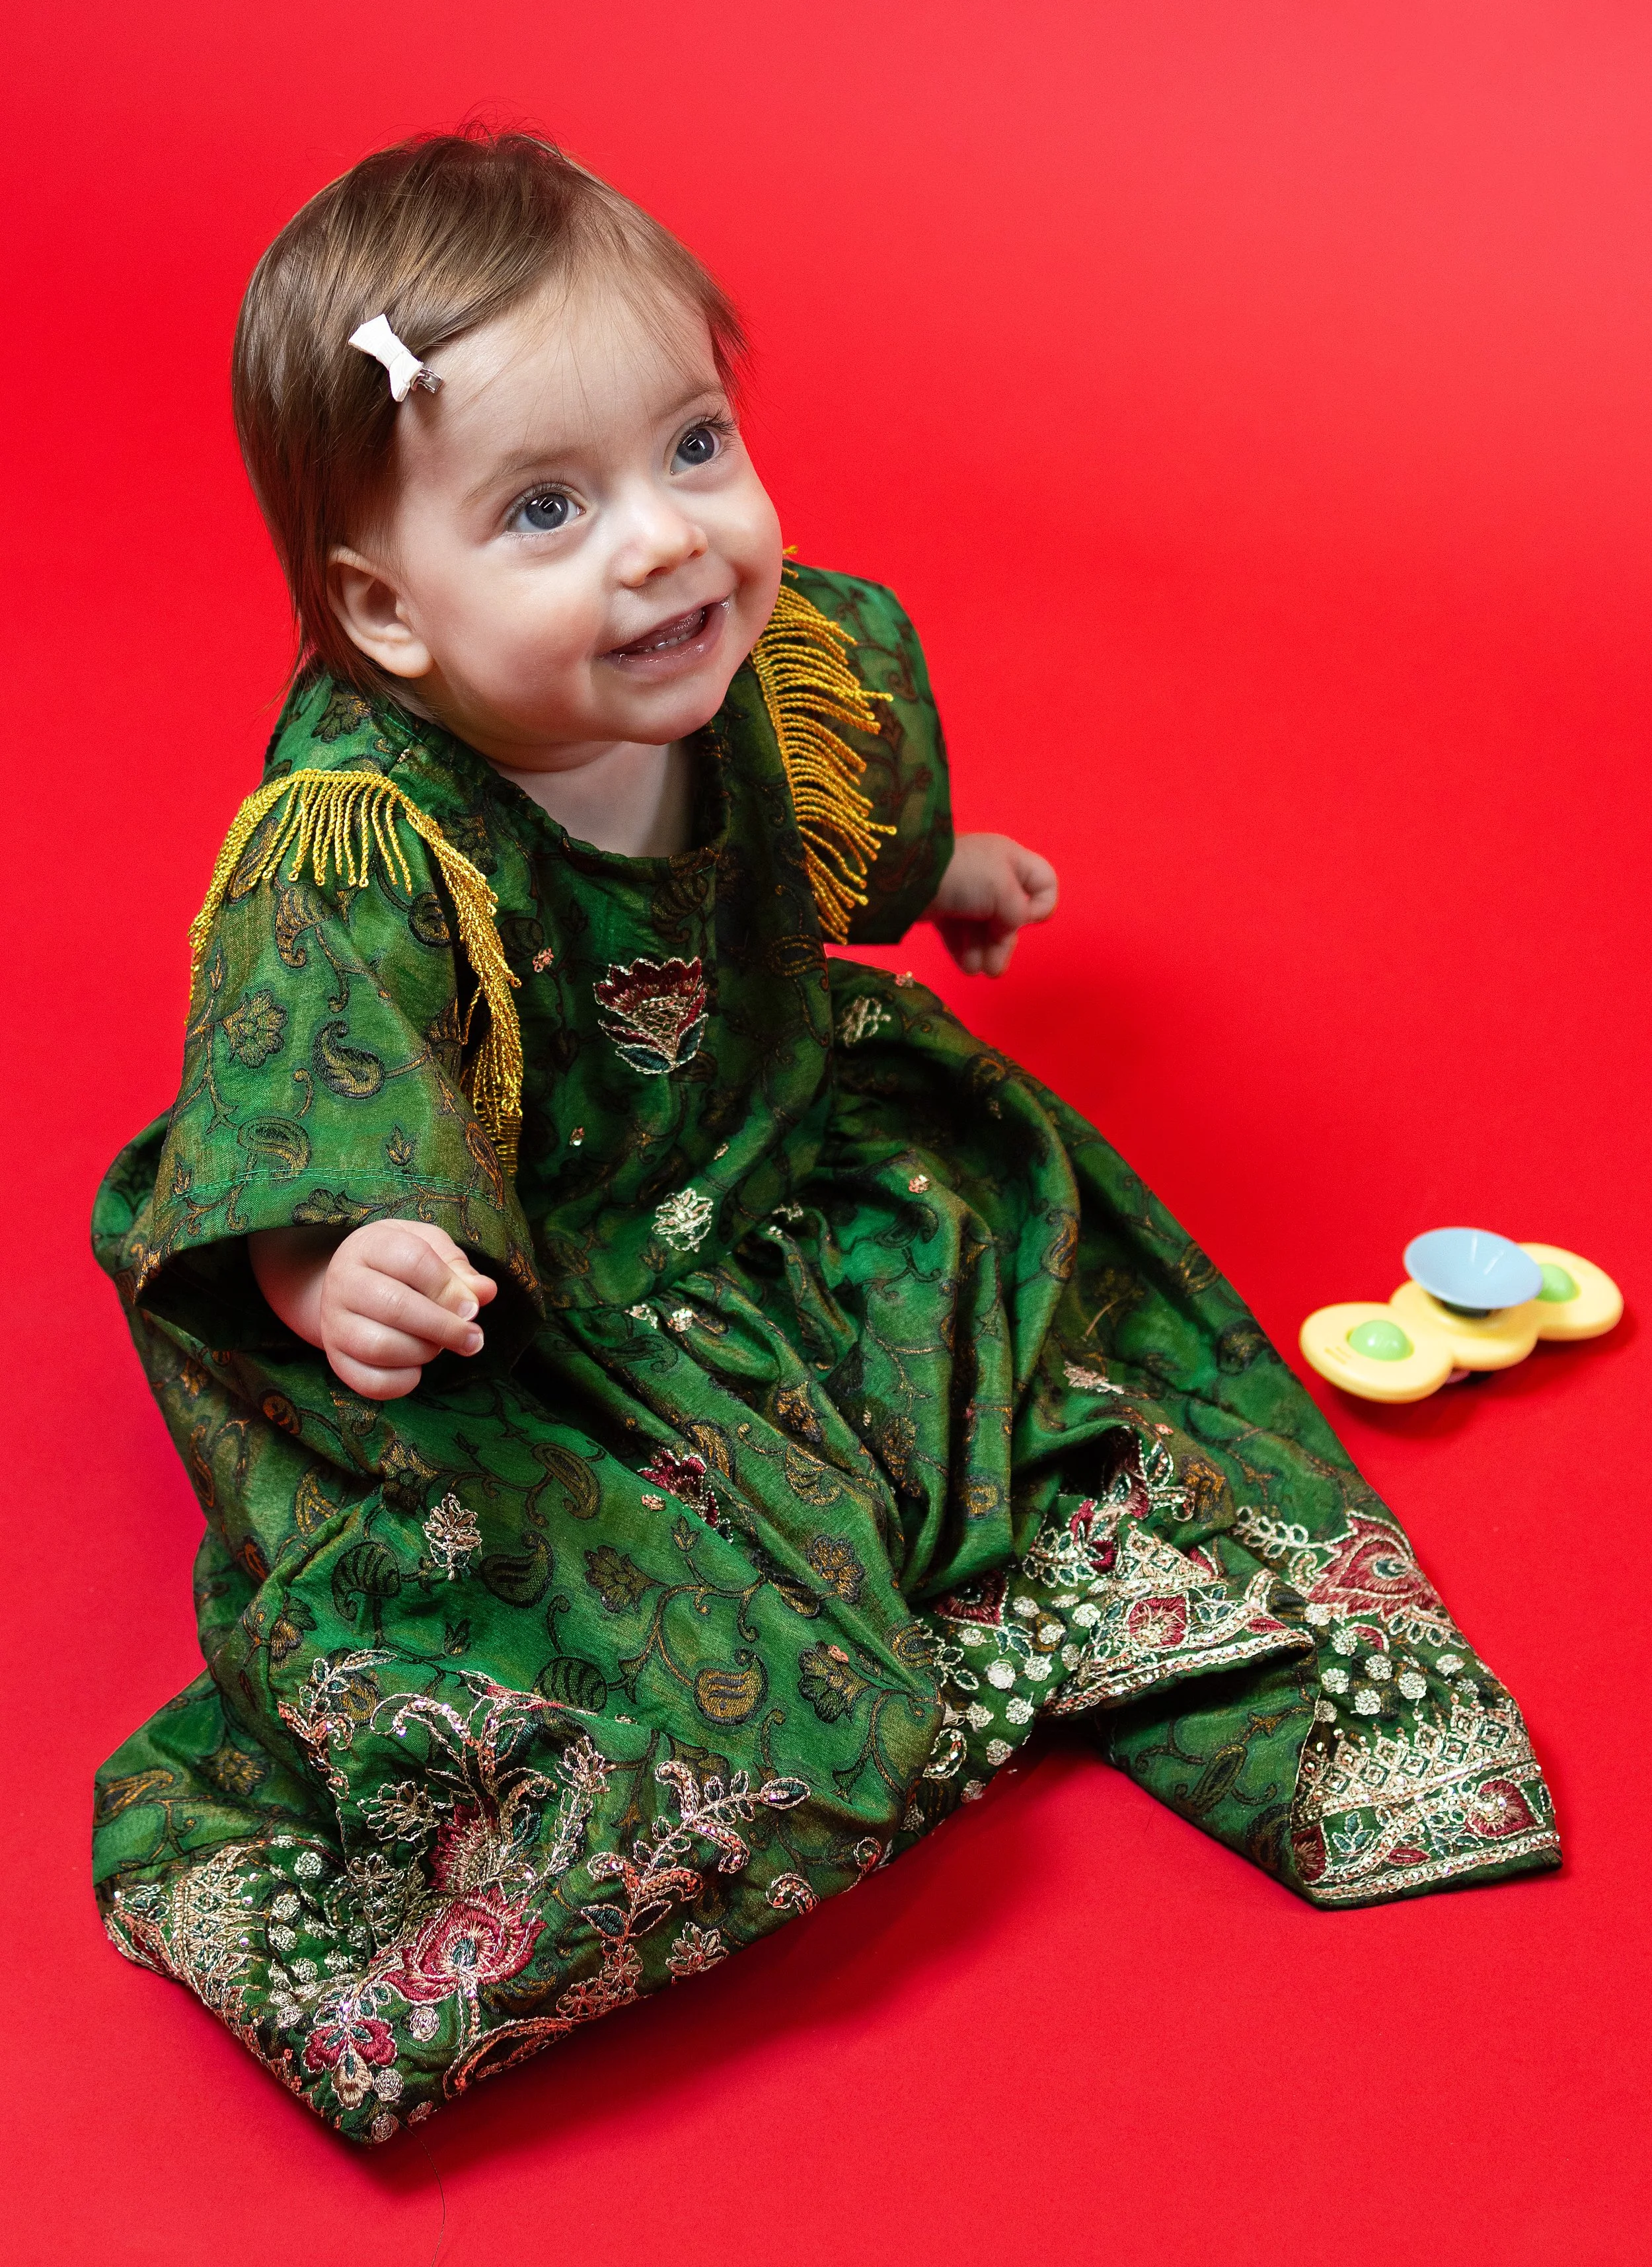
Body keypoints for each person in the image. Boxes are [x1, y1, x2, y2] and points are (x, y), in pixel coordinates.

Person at [93, 131, 1559, 2143]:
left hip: (794, 1160)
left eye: (692, 445)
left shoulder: (767, 670)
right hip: (556, 1282)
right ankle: (288, 1913)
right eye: (544, 507)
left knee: (1069, 1381)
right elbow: (291, 1118)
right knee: (693, 1699)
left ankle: (1235, 1699)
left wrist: (939, 867)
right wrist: (330, 1268)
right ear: (387, 606)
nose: (666, 543)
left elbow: (820, 824)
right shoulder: (352, 850)